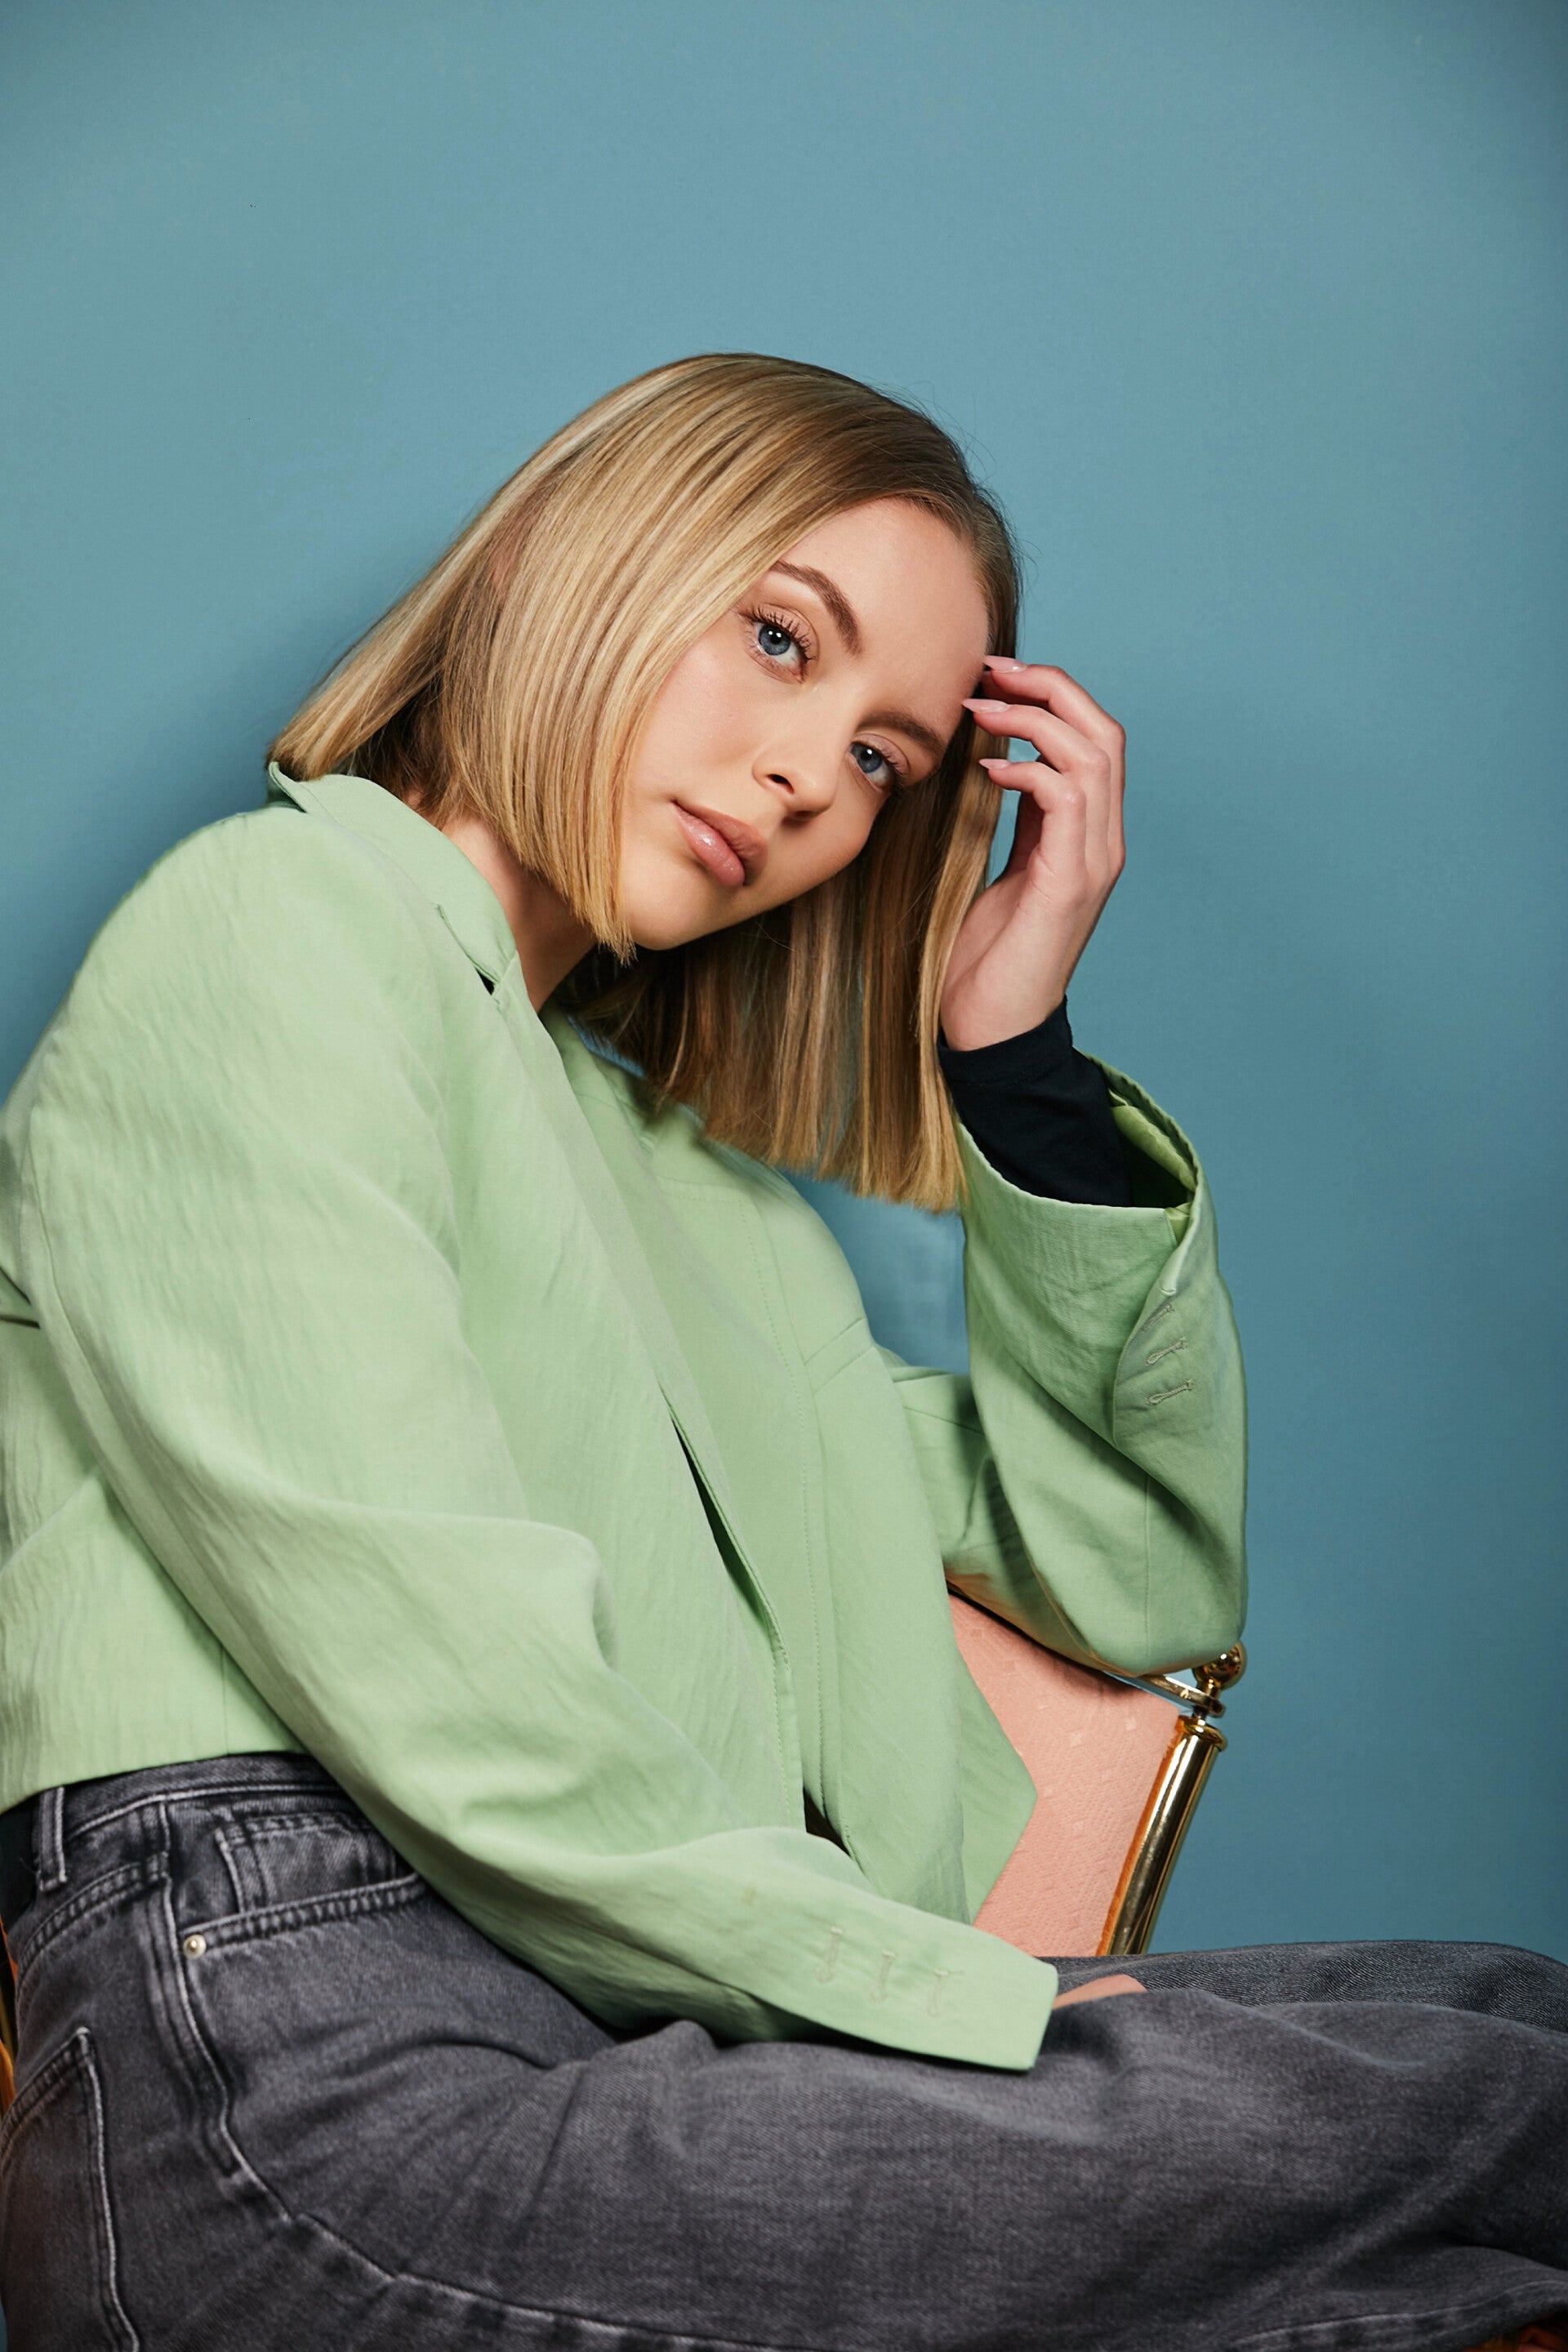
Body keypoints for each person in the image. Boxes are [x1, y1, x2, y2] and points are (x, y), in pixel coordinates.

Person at [0, 353, 1561, 2352]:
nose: (815, 777)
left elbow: (1130, 1580)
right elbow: (449, 1681)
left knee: (1510, 2023)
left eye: (889, 759)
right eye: (777, 638)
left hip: (637, 2030)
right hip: (307, 2078)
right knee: (1496, 2108)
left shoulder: (708, 1214)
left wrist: (1015, 1060)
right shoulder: (273, 926)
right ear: (571, 558)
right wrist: (950, 2001)